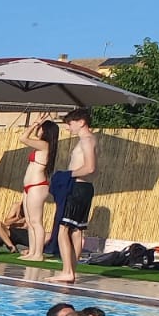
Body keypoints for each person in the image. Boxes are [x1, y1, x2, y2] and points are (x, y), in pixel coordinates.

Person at [55, 108, 98, 284]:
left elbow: (90, 168)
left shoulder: (87, 140)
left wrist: (66, 175)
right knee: (77, 231)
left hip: (79, 187)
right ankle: (71, 270)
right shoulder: (90, 140)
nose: (68, 128)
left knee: (63, 230)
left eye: (70, 124)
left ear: (81, 122)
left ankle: (67, 271)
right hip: (84, 188)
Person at [18, 119, 60, 262]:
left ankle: (38, 254)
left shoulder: (44, 145)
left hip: (37, 185)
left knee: (36, 221)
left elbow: (23, 138)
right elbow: (30, 137)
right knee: (29, 221)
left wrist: (34, 124)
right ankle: (33, 251)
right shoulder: (42, 144)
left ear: (45, 131)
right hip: (29, 186)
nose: (38, 129)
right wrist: (38, 124)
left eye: (41, 128)